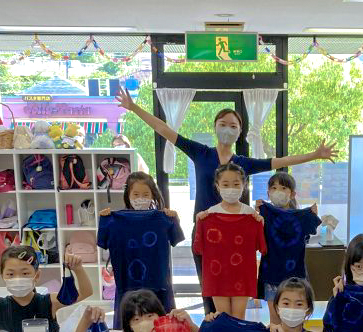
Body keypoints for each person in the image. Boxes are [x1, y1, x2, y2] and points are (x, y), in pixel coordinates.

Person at [115, 87, 337, 311]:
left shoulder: (243, 163)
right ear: (215, 127)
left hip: (237, 237)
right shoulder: (200, 153)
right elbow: (163, 129)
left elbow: (279, 161)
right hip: (206, 232)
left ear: (240, 132)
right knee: (210, 295)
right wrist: (133, 107)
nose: (228, 129)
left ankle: (234, 329)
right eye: (223, 124)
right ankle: (214, 330)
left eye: (233, 126)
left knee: (236, 295)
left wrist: (315, 155)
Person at [98, 170, 183, 328]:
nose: (140, 198)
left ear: (152, 195)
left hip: (158, 285)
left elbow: (176, 238)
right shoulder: (113, 221)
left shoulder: (163, 218)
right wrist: (105, 219)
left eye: (145, 194)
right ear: (128, 195)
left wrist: (174, 218)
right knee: (130, 331)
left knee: (162, 331)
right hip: (127, 286)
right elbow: (102, 242)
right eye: (136, 194)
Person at [193, 164, 266, 318]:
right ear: (217, 186)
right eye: (225, 184)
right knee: (223, 317)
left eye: (236, 184)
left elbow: (261, 245)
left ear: (244, 185)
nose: (231, 188)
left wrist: (261, 223)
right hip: (217, 275)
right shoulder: (209, 214)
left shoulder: (251, 215)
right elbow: (198, 248)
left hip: (242, 274)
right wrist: (199, 221)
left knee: (239, 317)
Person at [256, 171, 321, 323]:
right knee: (275, 321)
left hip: (295, 277)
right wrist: (258, 213)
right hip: (271, 274)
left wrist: (312, 215)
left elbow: (311, 231)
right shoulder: (264, 214)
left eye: (283, 188)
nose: (278, 191)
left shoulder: (303, 216)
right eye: (274, 188)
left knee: (294, 320)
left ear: (292, 194)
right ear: (268, 193)